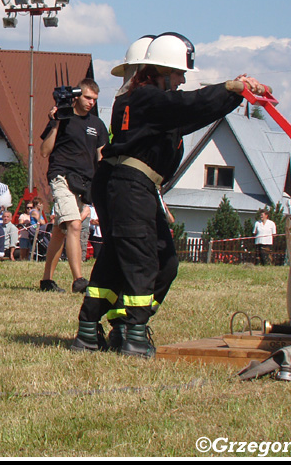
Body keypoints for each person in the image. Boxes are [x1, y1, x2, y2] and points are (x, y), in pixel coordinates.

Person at [71, 32, 267, 358]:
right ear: (161, 71)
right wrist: (231, 90)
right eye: (178, 74)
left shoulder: (149, 102)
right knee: (145, 260)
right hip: (128, 187)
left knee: (148, 261)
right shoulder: (146, 99)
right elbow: (189, 106)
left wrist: (233, 95)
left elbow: (190, 112)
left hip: (134, 187)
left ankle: (101, 327)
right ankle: (130, 334)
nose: (182, 80)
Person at [39, 78, 108, 293]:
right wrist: (56, 122)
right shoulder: (63, 118)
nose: (91, 103)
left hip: (84, 184)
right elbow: (44, 151)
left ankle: (47, 281)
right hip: (61, 177)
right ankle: (79, 280)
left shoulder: (97, 125)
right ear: (77, 96)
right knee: (74, 225)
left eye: (94, 100)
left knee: (61, 231)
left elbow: (101, 155)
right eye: (87, 97)